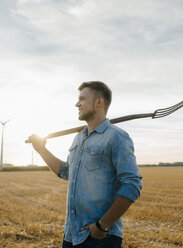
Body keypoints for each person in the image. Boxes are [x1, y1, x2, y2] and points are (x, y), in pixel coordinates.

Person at [28, 81, 143, 248]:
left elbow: (132, 185)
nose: (77, 104)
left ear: (98, 102)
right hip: (71, 235)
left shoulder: (116, 137)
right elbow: (66, 172)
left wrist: (102, 225)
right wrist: (41, 150)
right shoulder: (79, 137)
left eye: (82, 99)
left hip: (100, 238)